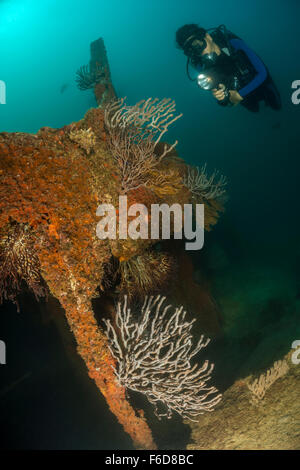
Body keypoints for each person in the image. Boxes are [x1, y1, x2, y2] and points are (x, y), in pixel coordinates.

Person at [175, 24, 282, 112]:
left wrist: (240, 94)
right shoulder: (200, 65)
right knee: (254, 109)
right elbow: (225, 98)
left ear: (208, 37)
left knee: (277, 105)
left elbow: (262, 72)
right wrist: (221, 97)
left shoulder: (232, 43)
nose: (200, 52)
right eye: (192, 51)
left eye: (198, 44)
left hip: (259, 81)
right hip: (239, 91)